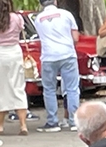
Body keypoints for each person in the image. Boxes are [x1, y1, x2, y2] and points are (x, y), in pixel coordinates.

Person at [34, 0, 81, 131]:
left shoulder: (38, 19)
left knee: (49, 89)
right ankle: (74, 120)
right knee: (72, 88)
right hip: (67, 54)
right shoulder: (66, 14)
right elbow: (76, 38)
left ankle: (52, 121)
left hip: (48, 56)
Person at [0, 0, 28, 136]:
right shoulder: (17, 18)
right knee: (18, 87)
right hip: (14, 52)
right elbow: (21, 30)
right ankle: (23, 125)